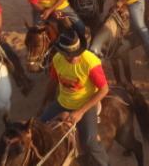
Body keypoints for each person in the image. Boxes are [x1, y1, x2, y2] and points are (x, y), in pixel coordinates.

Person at [39, 30, 109, 166]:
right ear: (62, 53)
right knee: (40, 127)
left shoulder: (91, 62)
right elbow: (53, 82)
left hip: (85, 104)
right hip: (62, 102)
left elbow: (104, 89)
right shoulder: (57, 60)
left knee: (90, 143)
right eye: (70, 55)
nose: (75, 57)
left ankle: (105, 163)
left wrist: (80, 112)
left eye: (77, 53)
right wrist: (43, 104)